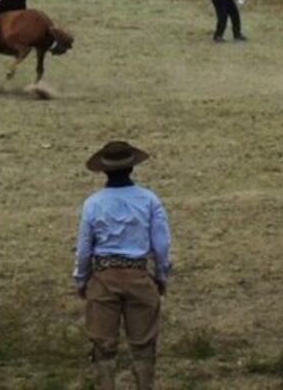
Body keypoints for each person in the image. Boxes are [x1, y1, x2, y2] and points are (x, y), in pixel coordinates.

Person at [73, 141, 172, 390]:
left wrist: (81, 279)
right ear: (132, 169)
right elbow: (161, 245)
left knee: (103, 347)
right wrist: (161, 275)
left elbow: (85, 248)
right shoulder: (149, 200)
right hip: (139, 275)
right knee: (143, 345)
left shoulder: (93, 204)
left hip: (104, 278)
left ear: (104, 171)